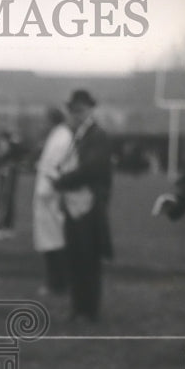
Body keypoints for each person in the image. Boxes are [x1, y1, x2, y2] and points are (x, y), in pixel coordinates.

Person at [52, 89, 113, 323]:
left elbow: (92, 168)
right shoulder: (78, 136)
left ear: (90, 110)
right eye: (73, 110)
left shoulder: (98, 135)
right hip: (74, 203)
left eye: (81, 110)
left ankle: (89, 310)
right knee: (75, 257)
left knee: (89, 258)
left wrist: (61, 181)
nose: (77, 114)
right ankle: (78, 308)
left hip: (90, 204)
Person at [32, 108, 71, 296]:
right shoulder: (57, 136)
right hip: (47, 195)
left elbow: (56, 166)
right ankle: (55, 282)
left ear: (51, 120)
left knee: (55, 240)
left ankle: (58, 283)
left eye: (44, 120)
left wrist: (46, 191)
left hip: (51, 195)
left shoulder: (61, 138)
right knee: (51, 240)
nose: (42, 124)